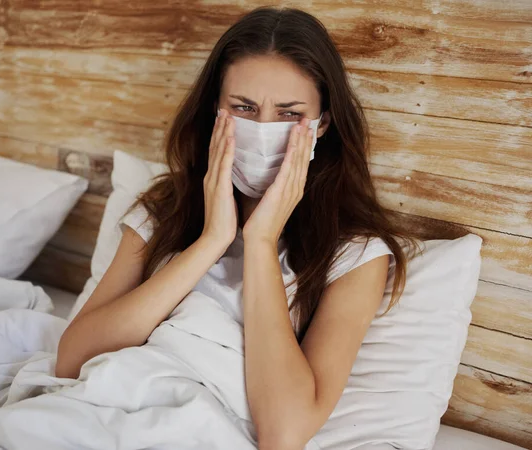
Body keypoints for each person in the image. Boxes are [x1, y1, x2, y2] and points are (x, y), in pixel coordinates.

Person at [56, 6, 415, 449]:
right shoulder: (165, 208)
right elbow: (71, 361)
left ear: (322, 124)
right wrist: (212, 240)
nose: (262, 129)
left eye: (289, 114)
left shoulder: (355, 254)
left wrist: (261, 242)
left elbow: (284, 434)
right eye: (243, 107)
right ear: (215, 111)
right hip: (95, 408)